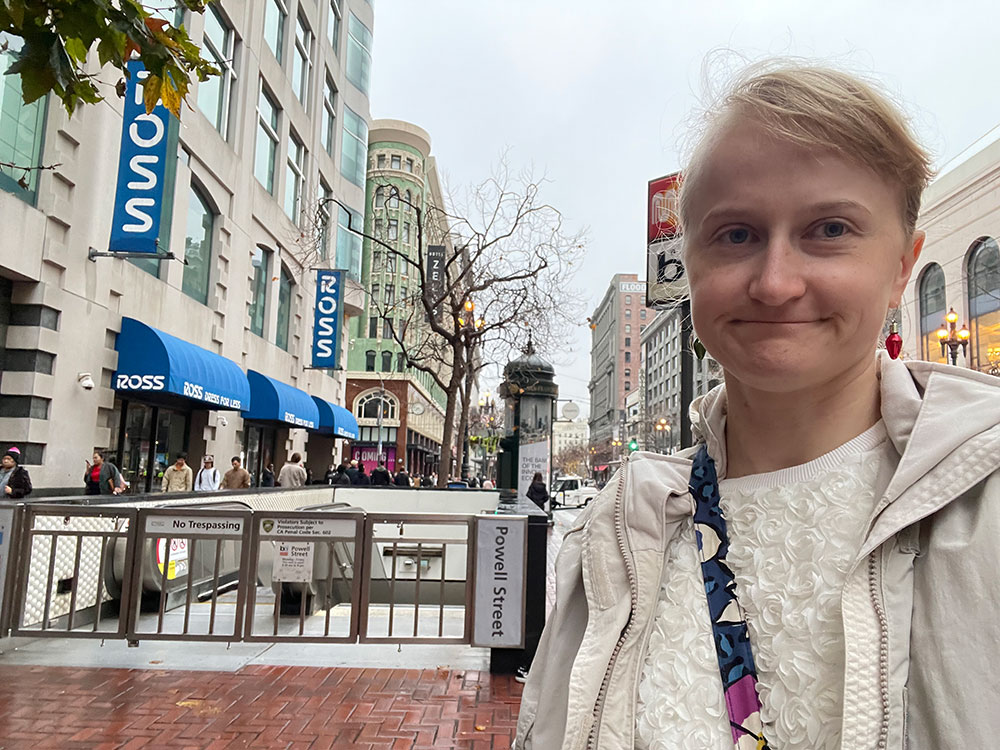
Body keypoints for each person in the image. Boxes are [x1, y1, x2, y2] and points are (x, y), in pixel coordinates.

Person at [517, 62, 1000, 750]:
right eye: (736, 235)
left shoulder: (985, 502)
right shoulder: (617, 531)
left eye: (829, 229)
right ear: (692, 264)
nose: (775, 283)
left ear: (903, 265)